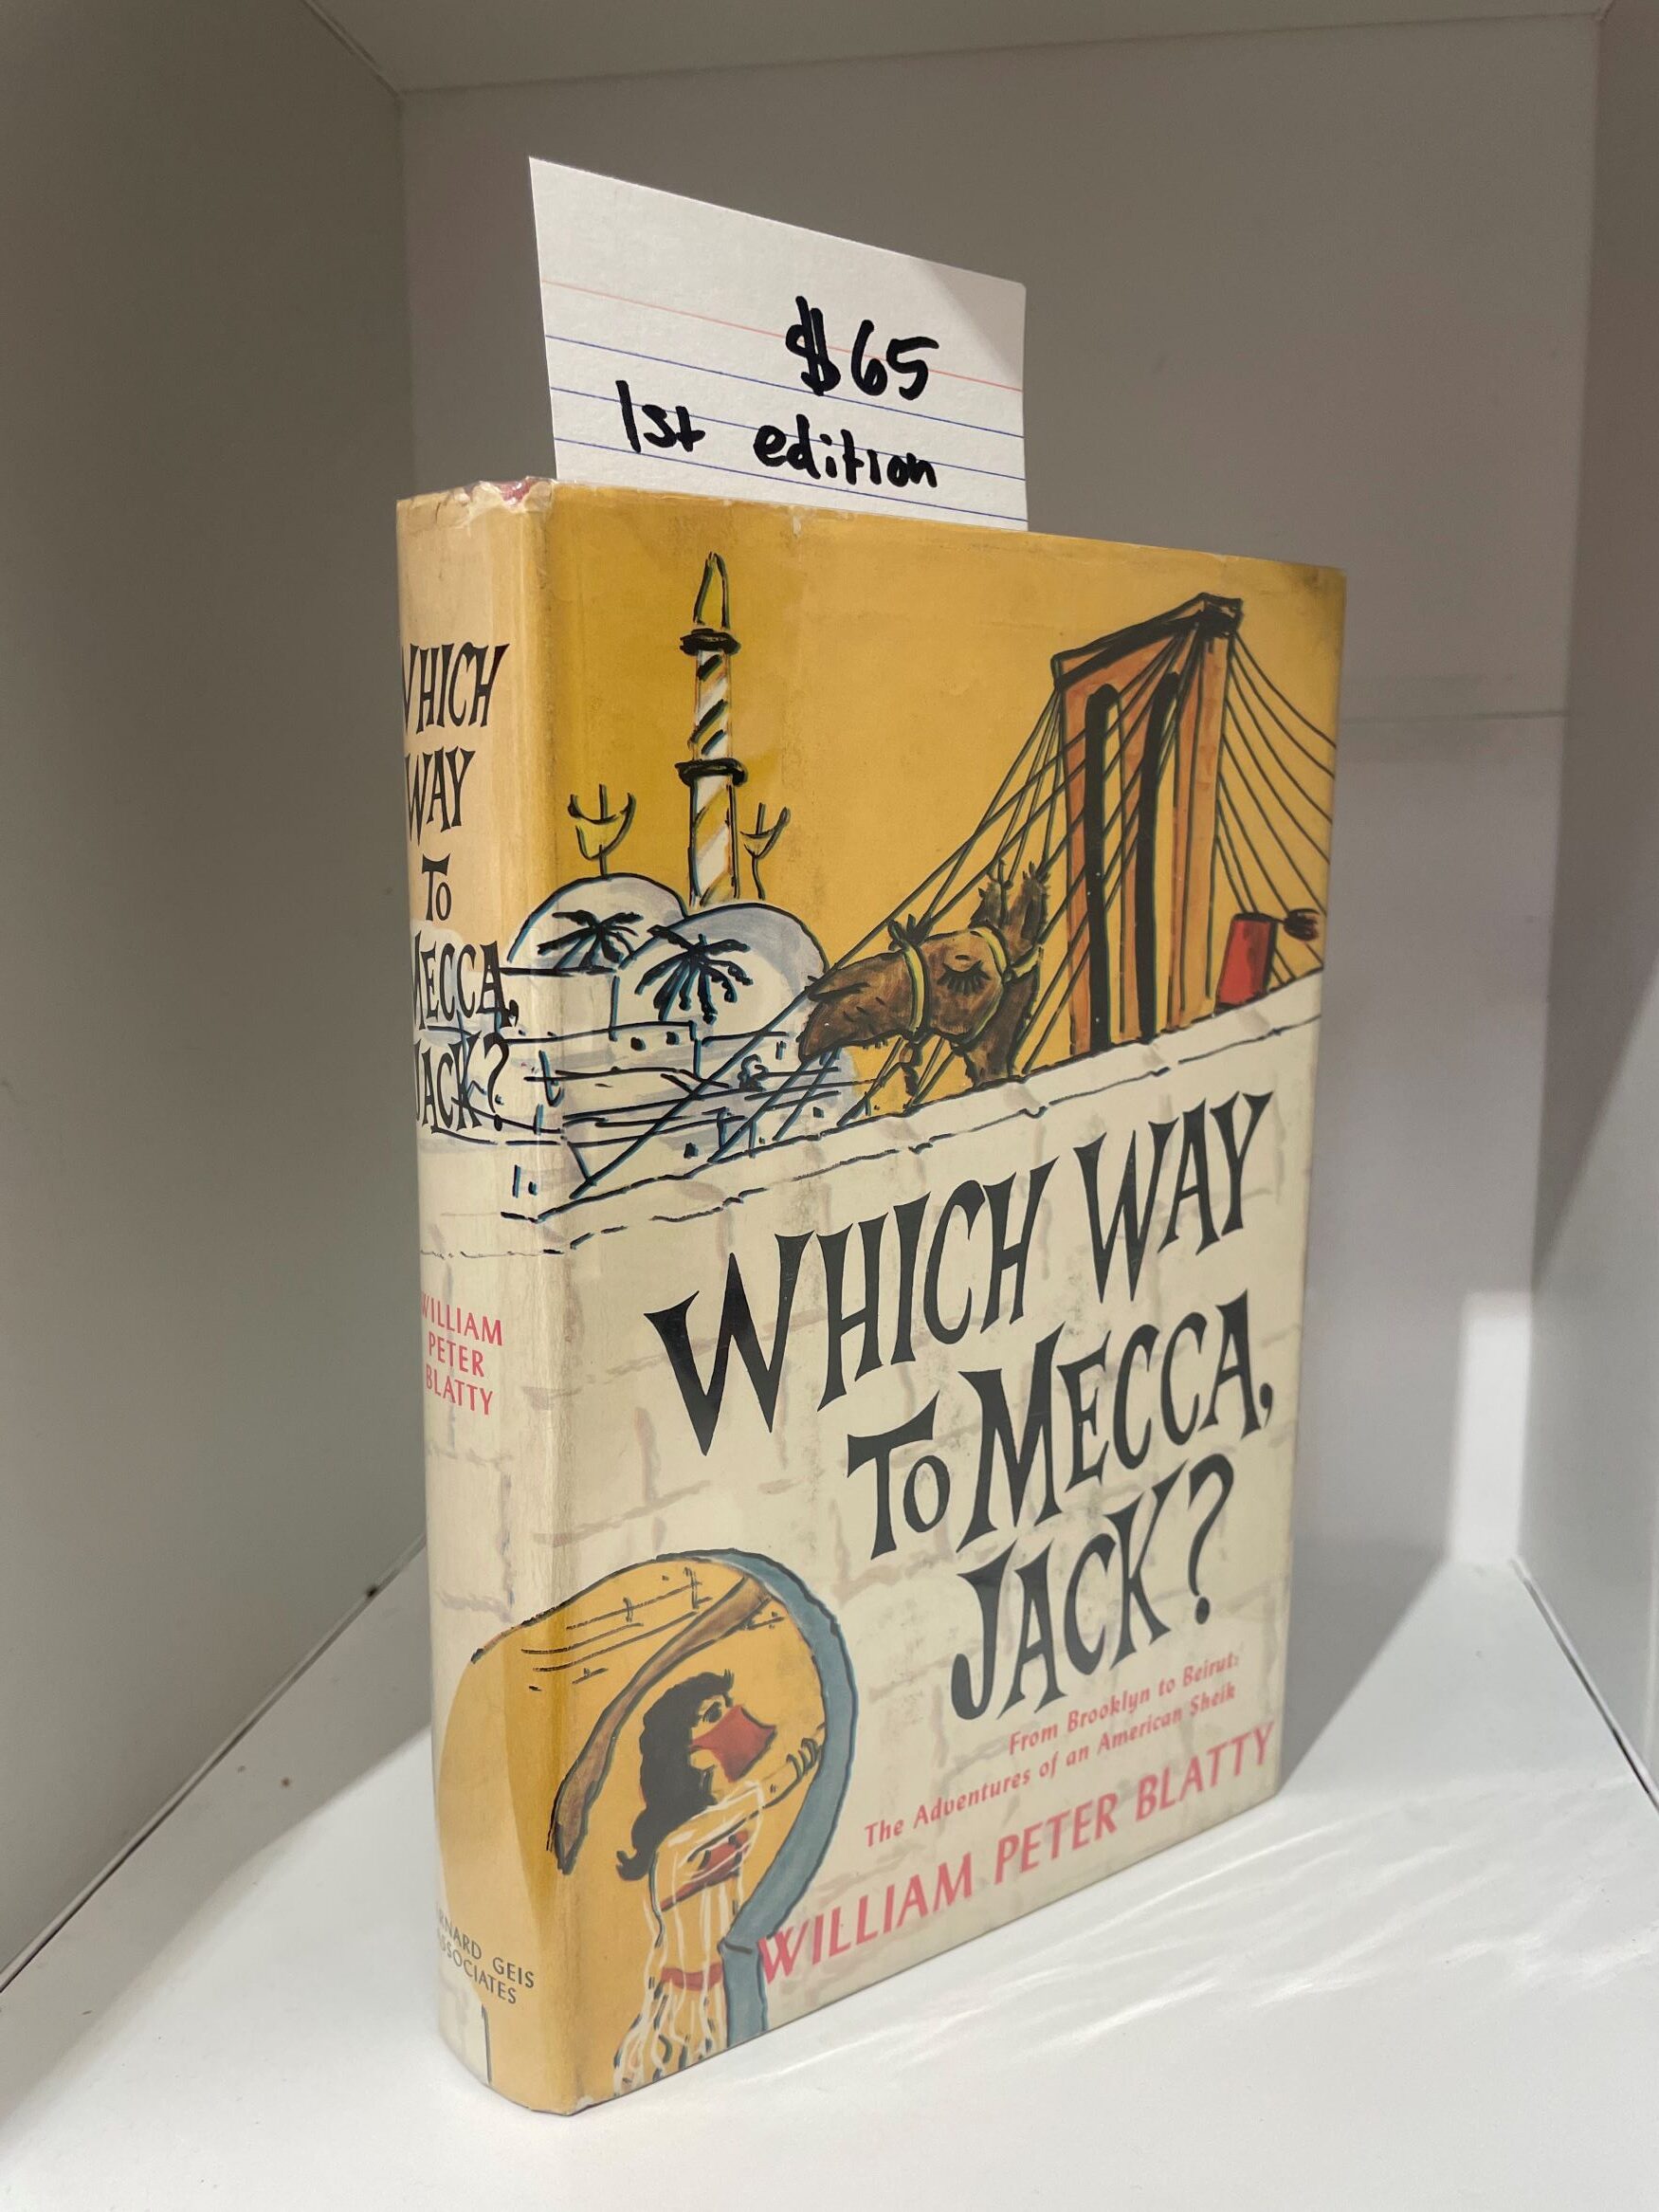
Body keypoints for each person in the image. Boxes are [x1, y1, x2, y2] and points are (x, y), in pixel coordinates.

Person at [613, 1669, 822, 2088]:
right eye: (712, 1715)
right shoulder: (679, 1845)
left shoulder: (722, 1817)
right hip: (681, 2010)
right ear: (685, 1751)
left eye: (727, 1707)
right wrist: (811, 1750)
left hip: (724, 1994)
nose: (731, 1720)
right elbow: (762, 1794)